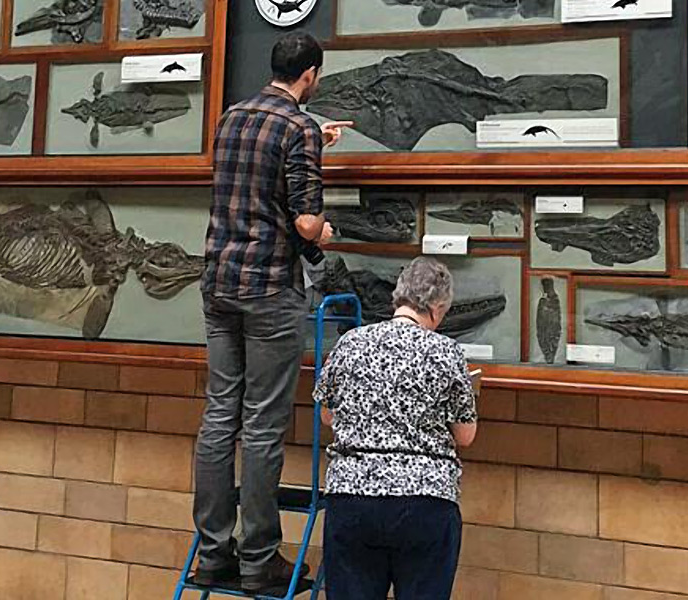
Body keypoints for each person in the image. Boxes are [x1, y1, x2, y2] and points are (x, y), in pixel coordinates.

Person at [193, 32, 352, 595]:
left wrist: (314, 145)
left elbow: (255, 182)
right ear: (310, 74)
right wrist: (326, 230)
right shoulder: (299, 127)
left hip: (219, 284)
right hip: (268, 290)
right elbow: (306, 223)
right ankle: (260, 559)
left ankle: (213, 554)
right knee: (262, 425)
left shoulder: (232, 117)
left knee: (219, 419)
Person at [313, 257, 479, 600]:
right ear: (436, 307)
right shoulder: (447, 352)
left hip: (352, 495)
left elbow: (327, 416)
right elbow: (465, 435)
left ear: (398, 297)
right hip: (425, 500)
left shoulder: (350, 343)